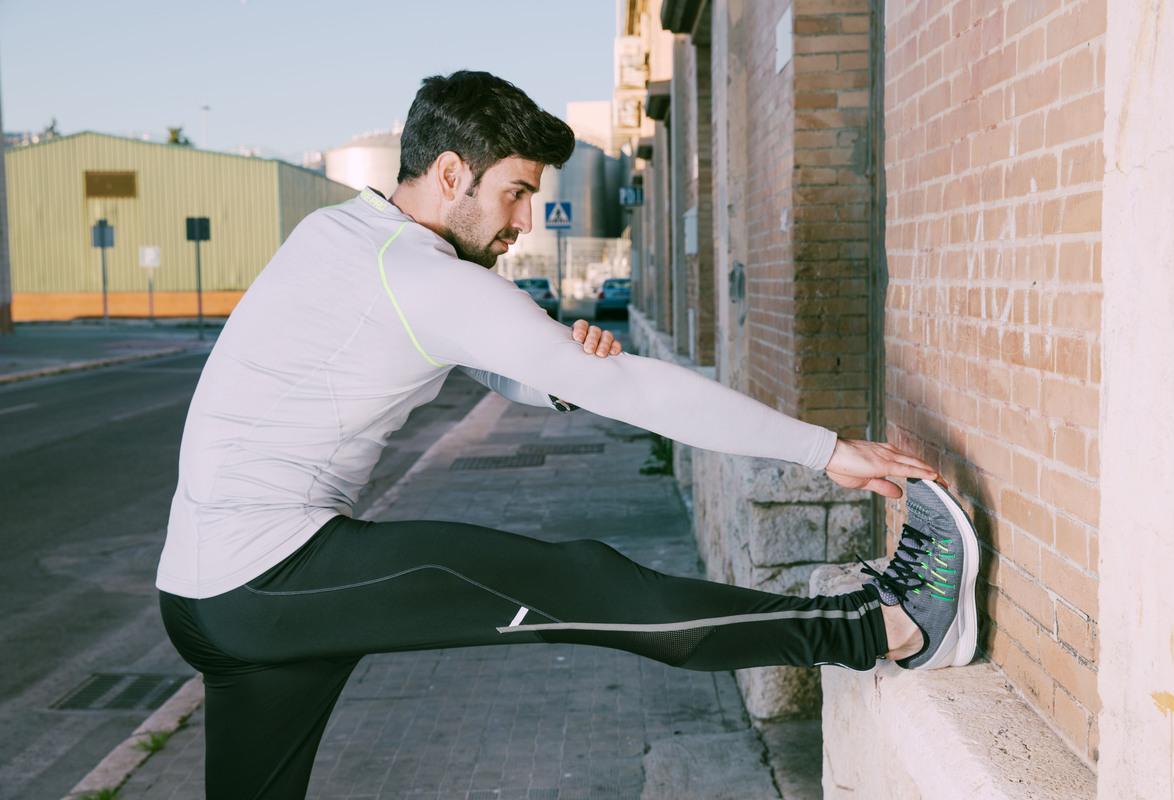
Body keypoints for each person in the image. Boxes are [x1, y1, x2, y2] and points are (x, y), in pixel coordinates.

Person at [156, 70, 979, 799]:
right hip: (270, 575)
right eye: (515, 191)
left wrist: (551, 370)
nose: (523, 217)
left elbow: (465, 354)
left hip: (200, 594)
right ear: (451, 174)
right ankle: (886, 630)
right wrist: (827, 451)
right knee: (586, 587)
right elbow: (630, 388)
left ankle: (875, 627)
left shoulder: (337, 237)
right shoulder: (424, 277)